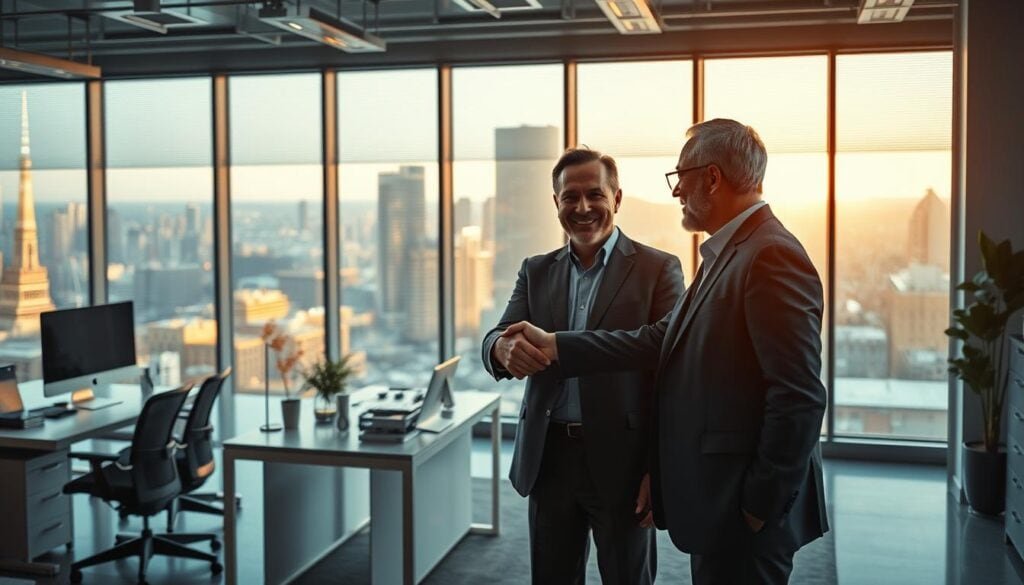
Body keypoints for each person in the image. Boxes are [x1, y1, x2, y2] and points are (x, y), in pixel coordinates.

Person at [502, 119, 829, 585]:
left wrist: (759, 504)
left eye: (681, 176)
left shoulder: (768, 254)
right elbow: (662, 339)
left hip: (741, 503)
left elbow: (799, 396)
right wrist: (556, 346)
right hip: (715, 497)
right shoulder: (730, 252)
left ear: (712, 178)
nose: (676, 192)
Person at [482, 147, 684, 584]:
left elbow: (666, 362)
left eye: (595, 194)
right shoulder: (535, 270)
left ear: (617, 197)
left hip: (624, 463)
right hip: (549, 459)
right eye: (570, 197)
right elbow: (497, 334)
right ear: (556, 203)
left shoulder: (658, 269)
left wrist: (657, 467)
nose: (583, 207)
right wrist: (500, 350)